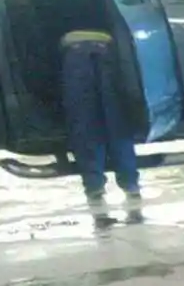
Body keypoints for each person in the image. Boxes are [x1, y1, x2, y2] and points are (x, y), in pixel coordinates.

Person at [60, 23, 141, 206]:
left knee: (85, 125)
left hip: (74, 53)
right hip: (107, 49)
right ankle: (130, 183)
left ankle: (94, 186)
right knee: (118, 123)